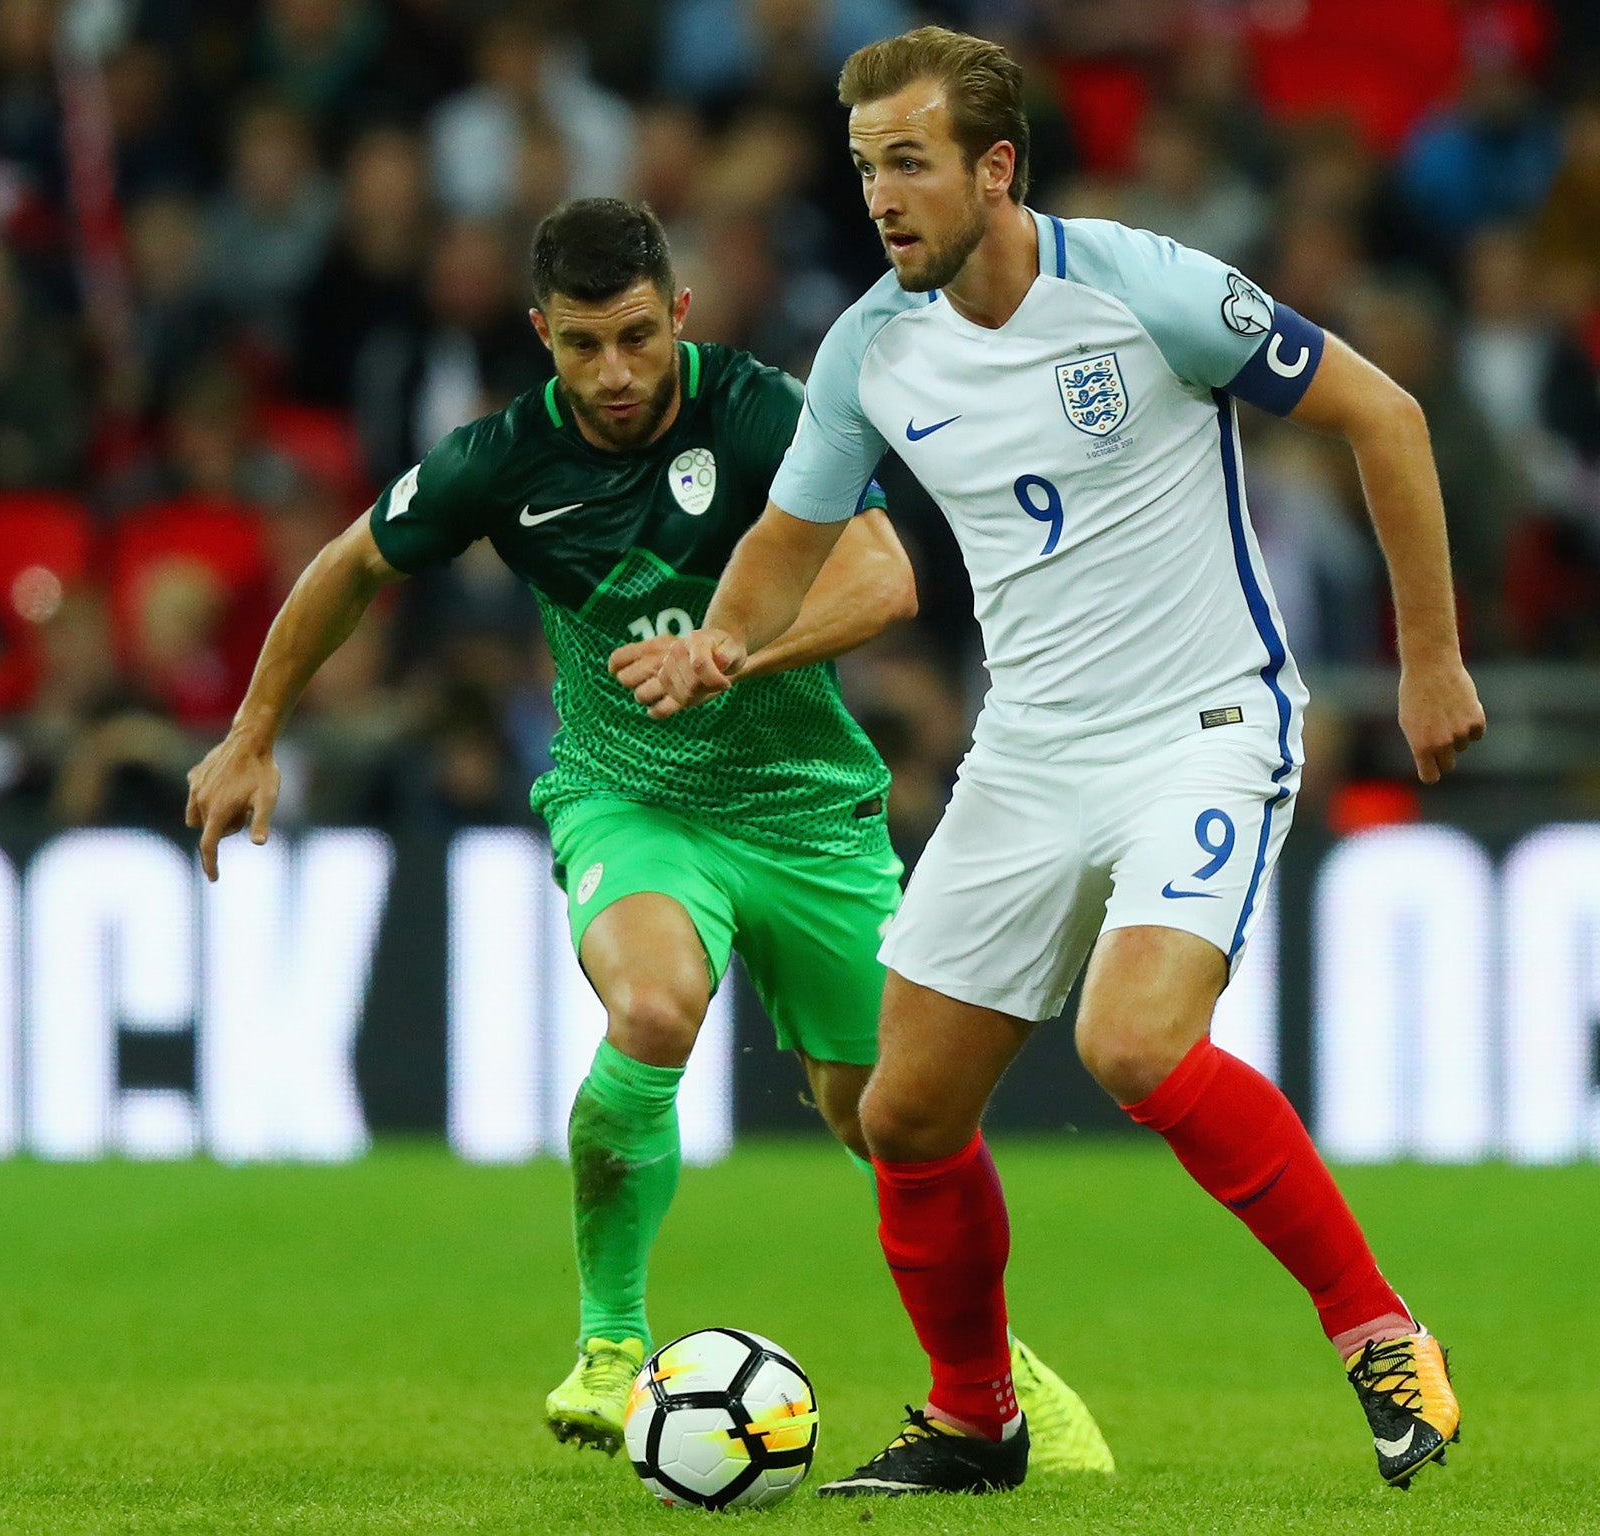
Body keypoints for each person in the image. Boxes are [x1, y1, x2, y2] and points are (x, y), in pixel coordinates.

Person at [631, 27, 1485, 1497]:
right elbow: (787, 539)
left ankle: (1380, 1332)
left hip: (1202, 728)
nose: (882, 198)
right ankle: (977, 1420)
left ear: (996, 167)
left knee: (1136, 1043)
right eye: (863, 169)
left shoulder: (1146, 288)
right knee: (900, 1115)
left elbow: (1383, 415)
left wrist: (1429, 658)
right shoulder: (870, 352)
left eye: (910, 164)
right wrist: (720, 642)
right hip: (1027, 753)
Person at [183, 197, 1110, 1473]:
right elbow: (349, 564)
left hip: (806, 811)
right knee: (656, 1008)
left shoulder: (761, 413)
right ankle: (611, 1344)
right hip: (631, 798)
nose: (613, 375)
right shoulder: (499, 462)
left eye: (633, 337)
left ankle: (996, 1378)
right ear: (540, 337)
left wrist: (726, 650)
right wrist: (252, 732)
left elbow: (884, 579)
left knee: (891, 1119)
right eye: (580, 346)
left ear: (676, 312)